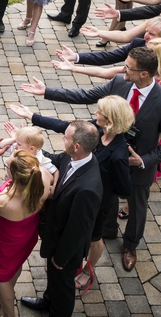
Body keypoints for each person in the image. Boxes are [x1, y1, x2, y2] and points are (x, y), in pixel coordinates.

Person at [19, 46, 161, 271]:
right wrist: (47, 91)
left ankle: (130, 245)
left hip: (137, 167)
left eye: (129, 67)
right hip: (108, 162)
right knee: (106, 201)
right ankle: (107, 228)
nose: (123, 69)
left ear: (144, 73)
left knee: (137, 206)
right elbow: (86, 96)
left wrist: (143, 160)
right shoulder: (120, 83)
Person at [10, 96, 133, 293]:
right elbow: (66, 130)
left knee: (93, 237)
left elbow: (125, 189)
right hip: (77, 190)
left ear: (110, 119)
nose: (95, 113)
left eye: (99, 112)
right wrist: (32, 125)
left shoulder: (118, 155)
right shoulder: (95, 131)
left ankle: (86, 270)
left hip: (96, 201)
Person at [20, 121, 103, 317]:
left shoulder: (87, 188)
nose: (62, 141)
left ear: (76, 146)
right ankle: (48, 300)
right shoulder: (74, 157)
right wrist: (30, 148)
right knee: (54, 281)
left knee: (63, 285)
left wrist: (61, 258)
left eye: (65, 138)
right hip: (56, 234)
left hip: (67, 248)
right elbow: (55, 160)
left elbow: (78, 229)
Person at [0, 149, 53, 317]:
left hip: (4, 244)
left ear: (13, 174)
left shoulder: (3, 202)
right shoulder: (43, 178)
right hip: (26, 236)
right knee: (14, 266)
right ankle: (3, 296)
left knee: (0, 277)